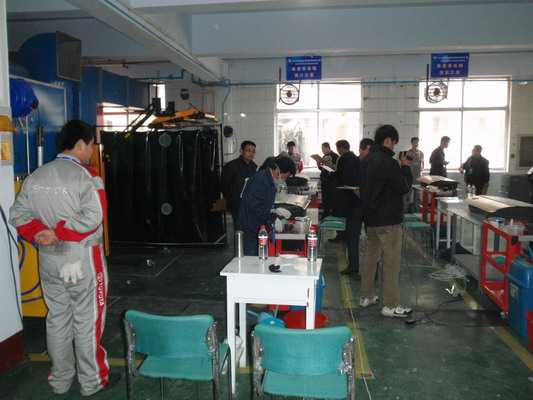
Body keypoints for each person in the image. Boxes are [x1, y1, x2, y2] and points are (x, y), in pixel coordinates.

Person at [9, 120, 118, 396]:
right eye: (90, 146)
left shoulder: (36, 177)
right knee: (87, 320)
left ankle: (60, 380)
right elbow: (94, 218)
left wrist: (41, 233)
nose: (91, 151)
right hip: (82, 259)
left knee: (57, 318)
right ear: (80, 145)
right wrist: (58, 232)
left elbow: (18, 215)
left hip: (49, 260)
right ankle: (92, 381)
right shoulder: (87, 177)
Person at [360, 124, 413, 318]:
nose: (394, 147)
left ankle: (366, 296)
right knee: (391, 262)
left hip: (371, 219)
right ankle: (390, 305)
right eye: (394, 143)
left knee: (370, 259)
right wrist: (405, 167)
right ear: (388, 140)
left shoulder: (366, 160)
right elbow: (403, 187)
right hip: (388, 221)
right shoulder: (389, 163)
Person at [238, 156, 296, 255]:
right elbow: (256, 207)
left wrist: (274, 210)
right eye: (284, 177)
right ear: (277, 170)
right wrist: (272, 218)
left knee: (260, 256)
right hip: (250, 226)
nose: (283, 180)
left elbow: (264, 203)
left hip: (257, 224)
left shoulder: (269, 179)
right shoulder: (260, 180)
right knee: (251, 259)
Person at [332, 140, 362, 278]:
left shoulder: (345, 159)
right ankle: (362, 268)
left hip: (351, 203)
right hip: (360, 202)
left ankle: (353, 267)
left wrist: (333, 174)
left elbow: (343, 178)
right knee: (356, 237)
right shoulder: (356, 159)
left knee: (352, 237)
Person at [221, 140, 257, 228]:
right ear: (241, 151)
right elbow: (224, 186)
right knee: (239, 228)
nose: (251, 153)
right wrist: (233, 201)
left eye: (253, 151)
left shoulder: (254, 166)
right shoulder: (231, 166)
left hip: (250, 203)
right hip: (237, 204)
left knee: (249, 228)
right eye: (248, 150)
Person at [316, 142, 339, 217]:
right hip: (324, 181)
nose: (322, 151)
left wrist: (326, 166)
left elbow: (334, 170)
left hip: (331, 181)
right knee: (325, 200)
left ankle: (331, 216)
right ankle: (325, 214)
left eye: (323, 149)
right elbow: (322, 168)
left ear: (328, 148)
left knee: (331, 200)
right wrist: (318, 163)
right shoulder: (324, 156)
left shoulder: (335, 156)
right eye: (322, 149)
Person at [405, 137, 424, 211]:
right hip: (410, 176)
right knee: (408, 193)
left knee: (417, 193)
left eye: (417, 142)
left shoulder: (421, 153)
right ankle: (406, 209)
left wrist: (421, 173)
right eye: (414, 142)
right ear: (412, 143)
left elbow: (422, 165)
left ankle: (417, 208)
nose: (416, 144)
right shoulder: (408, 153)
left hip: (418, 177)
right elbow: (406, 164)